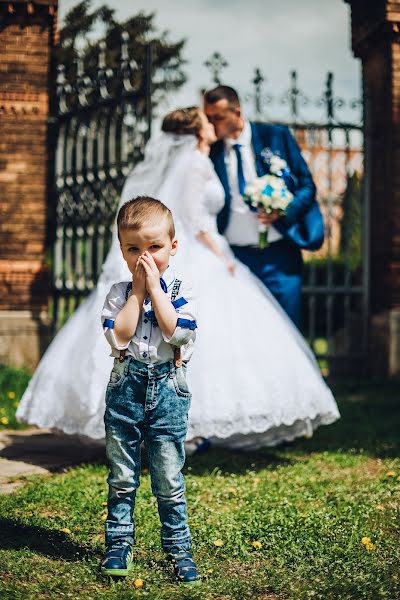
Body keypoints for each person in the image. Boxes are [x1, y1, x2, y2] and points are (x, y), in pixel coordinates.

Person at [17, 106, 339, 449]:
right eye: (206, 121)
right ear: (198, 132)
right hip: (203, 249)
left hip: (199, 245)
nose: (212, 125)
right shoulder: (197, 163)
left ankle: (165, 424)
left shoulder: (196, 160)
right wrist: (221, 257)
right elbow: (195, 220)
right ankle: (186, 427)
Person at [100, 196, 200, 584]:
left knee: (168, 476)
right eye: (134, 249)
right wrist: (138, 292)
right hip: (126, 389)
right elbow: (120, 337)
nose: (145, 257)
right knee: (122, 474)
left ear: (172, 247)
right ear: (123, 251)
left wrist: (156, 289)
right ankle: (118, 544)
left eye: (154, 247)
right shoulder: (118, 292)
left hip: (168, 391)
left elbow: (178, 333)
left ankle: (179, 549)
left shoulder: (181, 288)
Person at [204, 85, 325, 328]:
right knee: (243, 330)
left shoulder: (275, 136)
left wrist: (284, 210)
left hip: (280, 255)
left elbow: (307, 185)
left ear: (237, 112)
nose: (212, 124)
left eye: (217, 117)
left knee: (286, 328)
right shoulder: (210, 151)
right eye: (208, 118)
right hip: (236, 258)